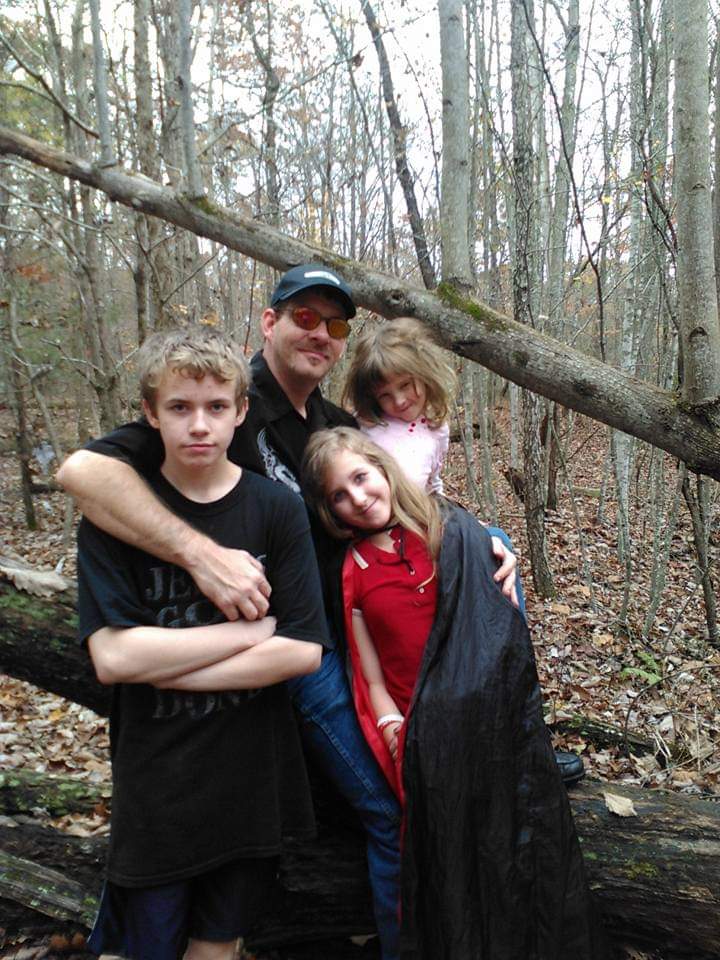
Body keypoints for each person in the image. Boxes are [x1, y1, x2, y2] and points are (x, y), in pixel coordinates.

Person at [58, 263, 519, 960]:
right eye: (303, 316)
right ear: (268, 322)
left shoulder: (333, 424)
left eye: (334, 324)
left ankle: (512, 754)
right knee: (387, 802)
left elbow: (397, 495)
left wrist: (482, 540)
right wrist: (198, 555)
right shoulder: (218, 404)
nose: (319, 333)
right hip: (292, 655)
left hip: (347, 627)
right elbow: (82, 473)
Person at [301, 427, 605, 959]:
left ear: (383, 469)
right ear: (330, 510)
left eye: (361, 478)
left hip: (483, 727)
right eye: (339, 495)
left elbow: (495, 641)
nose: (358, 498)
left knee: (506, 842)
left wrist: (492, 542)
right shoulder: (355, 569)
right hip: (421, 743)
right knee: (443, 858)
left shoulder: (450, 529)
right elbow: (370, 676)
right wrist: (393, 729)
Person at [77, 328, 327, 960]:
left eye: (216, 407)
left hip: (252, 784)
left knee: (218, 945)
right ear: (150, 413)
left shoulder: (276, 509)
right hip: (157, 787)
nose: (198, 425)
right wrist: (248, 631)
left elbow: (302, 651)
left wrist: (160, 664)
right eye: (180, 407)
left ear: (240, 412)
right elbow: (113, 657)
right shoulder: (119, 515)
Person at [343, 316, 456, 495]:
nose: (399, 401)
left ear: (425, 374)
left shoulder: (437, 429)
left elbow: (433, 484)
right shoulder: (363, 426)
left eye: (405, 385)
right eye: (385, 395)